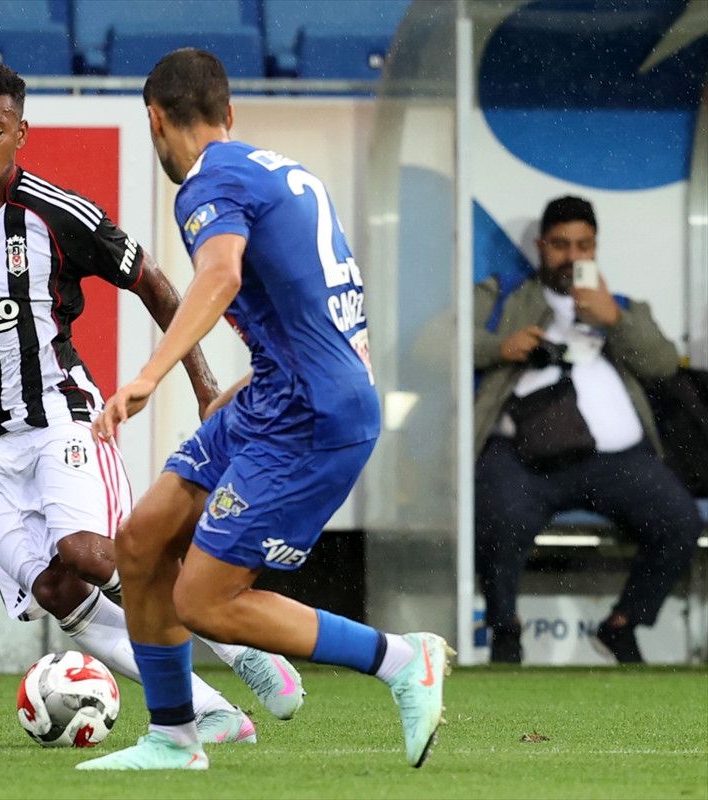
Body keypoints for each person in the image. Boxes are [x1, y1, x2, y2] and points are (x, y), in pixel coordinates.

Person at [0, 60, 304, 742]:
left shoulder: (58, 213)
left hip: (60, 418)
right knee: (56, 592)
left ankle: (240, 644)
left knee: (89, 553)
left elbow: (153, 283)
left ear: (21, 132)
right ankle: (209, 710)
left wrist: (205, 386)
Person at [77, 49, 451, 772]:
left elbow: (220, 274)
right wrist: (244, 385)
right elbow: (313, 310)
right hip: (278, 393)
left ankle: (401, 660)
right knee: (142, 540)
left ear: (155, 119)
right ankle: (173, 739)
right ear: (228, 111)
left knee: (206, 601)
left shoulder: (206, 183)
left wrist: (151, 376)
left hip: (310, 416)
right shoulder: (279, 172)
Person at [473, 195, 700, 664]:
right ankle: (505, 631)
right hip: (525, 457)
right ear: (541, 246)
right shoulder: (505, 295)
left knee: (680, 520)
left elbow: (662, 364)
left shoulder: (620, 306)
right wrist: (500, 346)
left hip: (616, 461)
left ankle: (622, 624)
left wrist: (613, 320)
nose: (572, 256)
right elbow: (437, 344)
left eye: (584, 245)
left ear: (596, 247)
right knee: (497, 515)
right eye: (560, 245)